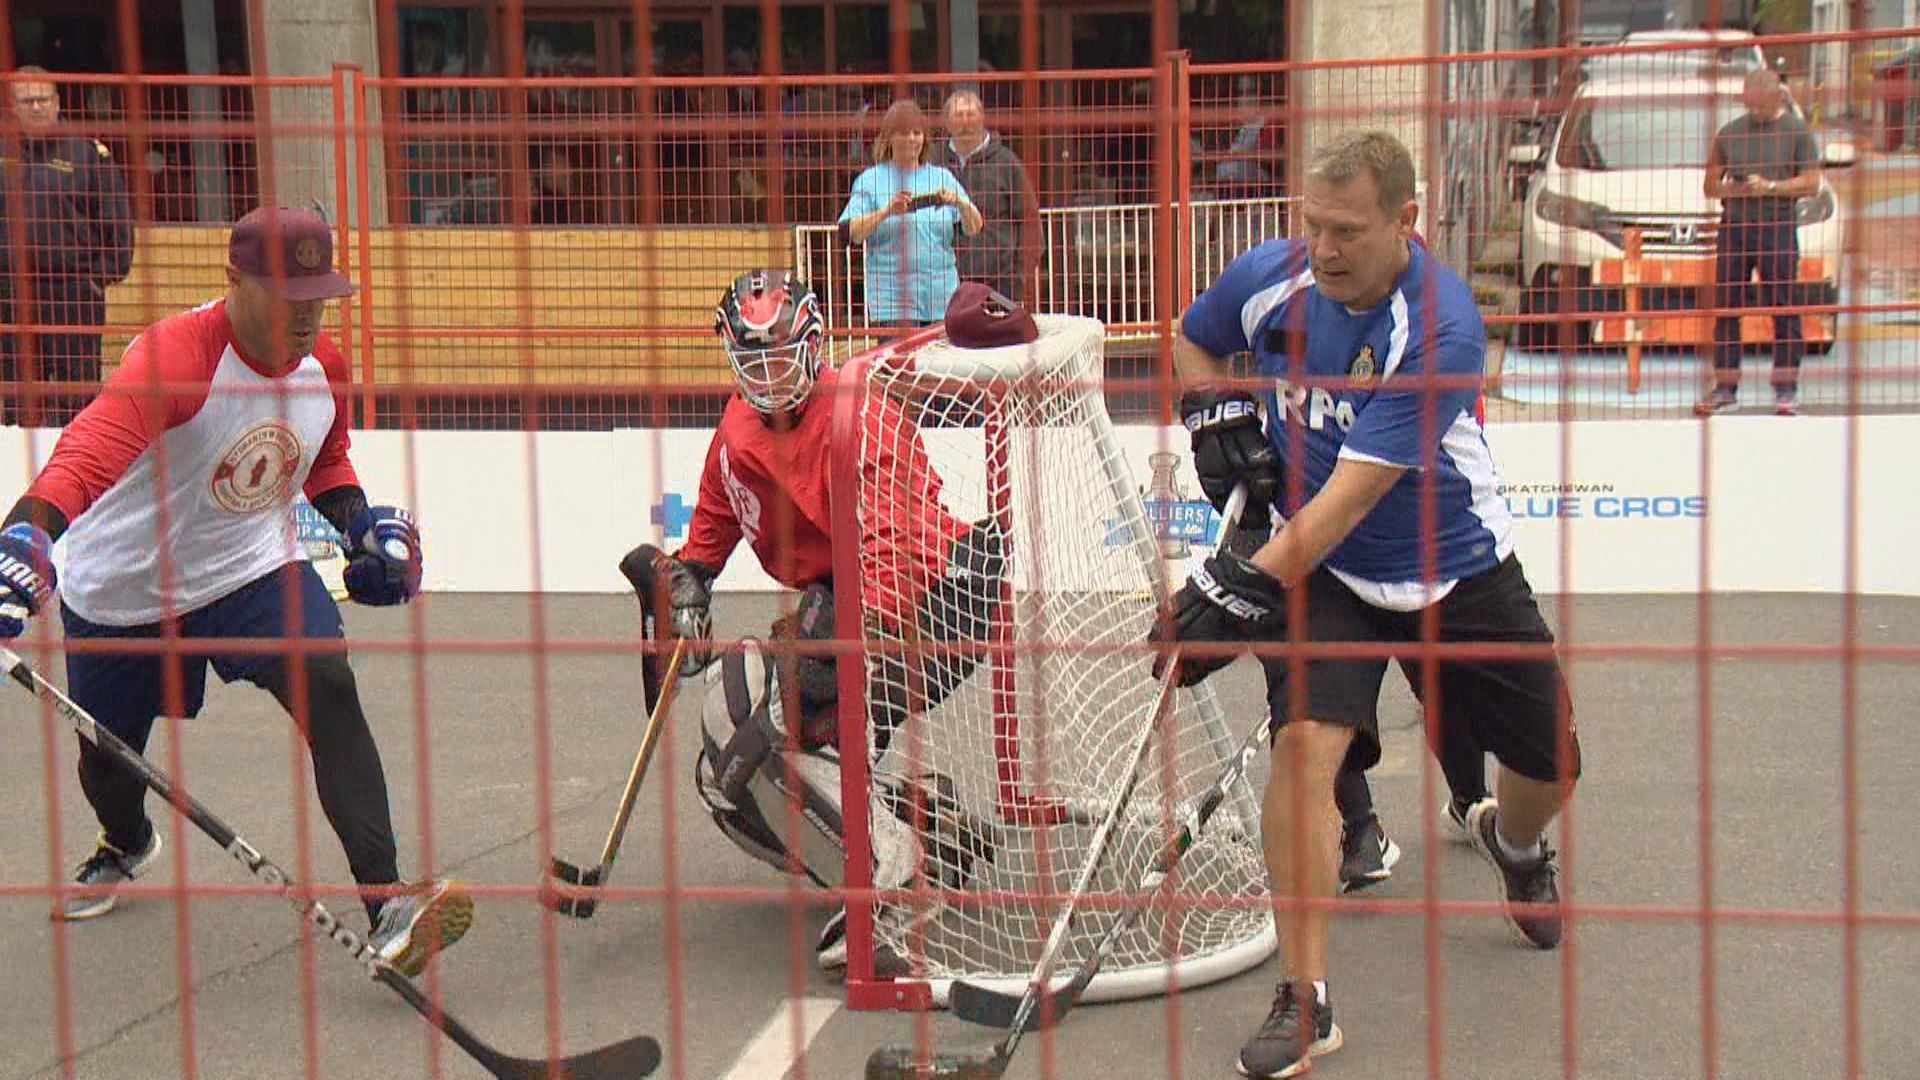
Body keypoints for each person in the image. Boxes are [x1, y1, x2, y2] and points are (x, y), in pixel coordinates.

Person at [1150, 130, 1580, 1079]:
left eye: (1347, 230)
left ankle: (1513, 841)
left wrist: (1233, 585)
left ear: (1405, 222)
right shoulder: (1273, 276)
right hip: (1328, 577)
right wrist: (1211, 408)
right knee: (1304, 745)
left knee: (1552, 763)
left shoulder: (1442, 329)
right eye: (1313, 226)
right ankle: (1306, 1001)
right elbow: (1191, 337)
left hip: (1451, 569)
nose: (1325, 249)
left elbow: (1351, 500)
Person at [0, 206, 470, 977]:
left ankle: (388, 905)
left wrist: (360, 527)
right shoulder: (174, 359)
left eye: (319, 296)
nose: (306, 315)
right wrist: (25, 539)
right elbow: (78, 463)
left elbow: (323, 460)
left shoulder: (324, 364)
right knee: (108, 764)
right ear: (234, 282)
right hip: (126, 587)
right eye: (289, 297)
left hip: (249, 566)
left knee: (328, 680)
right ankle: (125, 842)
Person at [654, 270, 1007, 972]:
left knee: (780, 724)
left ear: (814, 345)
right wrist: (685, 592)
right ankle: (927, 829)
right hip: (844, 595)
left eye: (782, 356)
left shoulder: (860, 406)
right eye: (753, 361)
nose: (770, 376)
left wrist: (841, 647)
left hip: (941, 594)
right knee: (723, 776)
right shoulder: (733, 436)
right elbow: (705, 544)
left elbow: (894, 552)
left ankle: (887, 882)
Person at [0, 66, 134, 426]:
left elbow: (117, 222)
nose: (38, 107)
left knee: (76, 394)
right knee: (14, 393)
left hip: (72, 290)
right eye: (27, 101)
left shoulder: (86, 153)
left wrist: (98, 279)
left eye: (45, 99)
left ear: (57, 102)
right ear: (11, 107)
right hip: (10, 292)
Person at [1695, 67, 1822, 418]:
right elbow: (1710, 186)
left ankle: (1785, 388)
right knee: (1727, 307)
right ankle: (1725, 388)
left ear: (1776, 97)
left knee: (1783, 305)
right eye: (1749, 104)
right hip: (1735, 226)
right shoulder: (1730, 133)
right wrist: (1734, 188)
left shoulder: (1797, 132)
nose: (1755, 111)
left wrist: (1771, 187)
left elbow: (1811, 182)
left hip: (1777, 225)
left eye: (1760, 104)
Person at [838, 99, 984, 328]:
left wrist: (961, 203)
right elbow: (849, 232)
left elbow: (975, 227)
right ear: (889, 138)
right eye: (904, 133)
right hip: (894, 304)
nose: (912, 139)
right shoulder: (870, 180)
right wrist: (886, 211)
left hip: (942, 300)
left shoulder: (942, 177)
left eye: (917, 133)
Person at [930, 89, 1041, 305]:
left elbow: (1031, 225)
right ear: (946, 121)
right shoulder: (932, 162)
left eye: (971, 115)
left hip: (1000, 286)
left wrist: (1018, 279)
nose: (965, 122)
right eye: (958, 115)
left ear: (982, 118)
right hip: (943, 285)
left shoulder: (1007, 163)